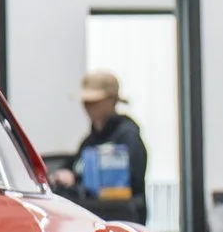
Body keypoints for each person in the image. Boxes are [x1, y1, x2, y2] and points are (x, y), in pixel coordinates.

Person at [47, 70, 149, 223]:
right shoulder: (89, 141)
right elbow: (71, 166)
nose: (87, 107)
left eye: (94, 102)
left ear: (112, 100)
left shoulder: (127, 137)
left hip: (120, 221)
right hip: (92, 220)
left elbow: (130, 181)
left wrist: (76, 178)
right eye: (85, 102)